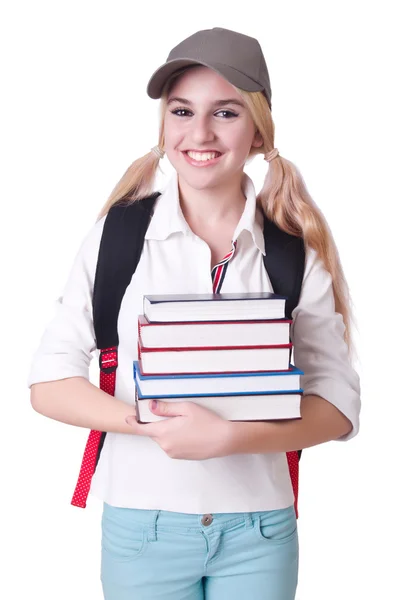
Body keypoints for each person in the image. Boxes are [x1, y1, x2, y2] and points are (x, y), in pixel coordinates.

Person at [28, 26, 361, 600]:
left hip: (260, 530)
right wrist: (147, 424)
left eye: (226, 112)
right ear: (163, 126)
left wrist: (230, 437)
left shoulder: (290, 250)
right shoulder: (119, 237)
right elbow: (48, 381)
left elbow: (338, 405)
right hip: (142, 527)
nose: (199, 132)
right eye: (182, 110)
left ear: (258, 131)